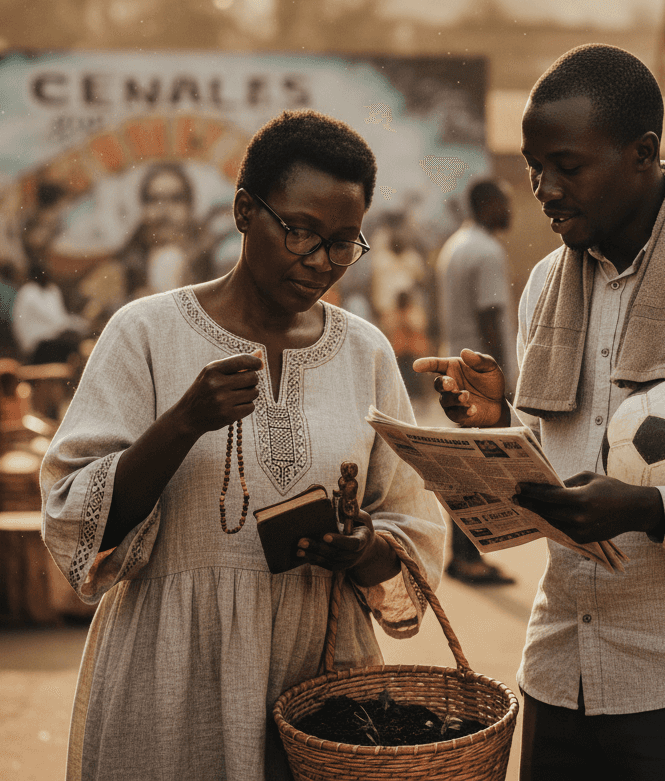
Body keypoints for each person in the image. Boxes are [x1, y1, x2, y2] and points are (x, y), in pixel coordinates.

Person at [416, 45, 665, 781]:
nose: (543, 187)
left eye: (567, 166)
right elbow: (557, 454)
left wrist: (649, 510)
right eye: (533, 165)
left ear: (643, 154)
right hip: (557, 669)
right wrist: (496, 422)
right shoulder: (546, 282)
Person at [40, 109, 446, 781]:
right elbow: (75, 519)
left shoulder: (366, 353)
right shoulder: (144, 333)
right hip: (174, 670)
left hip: (320, 685)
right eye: (299, 231)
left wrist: (365, 547)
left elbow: (409, 525)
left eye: (343, 242)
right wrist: (182, 423)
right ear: (242, 212)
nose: (320, 261)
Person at [434, 178, 517, 585]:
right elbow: (490, 319)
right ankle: (467, 558)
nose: (511, 210)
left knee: (470, 468)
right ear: (487, 204)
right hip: (481, 377)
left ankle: (463, 555)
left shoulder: (455, 246)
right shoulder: (486, 250)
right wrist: (499, 383)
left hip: (458, 371)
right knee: (483, 469)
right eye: (505, 201)